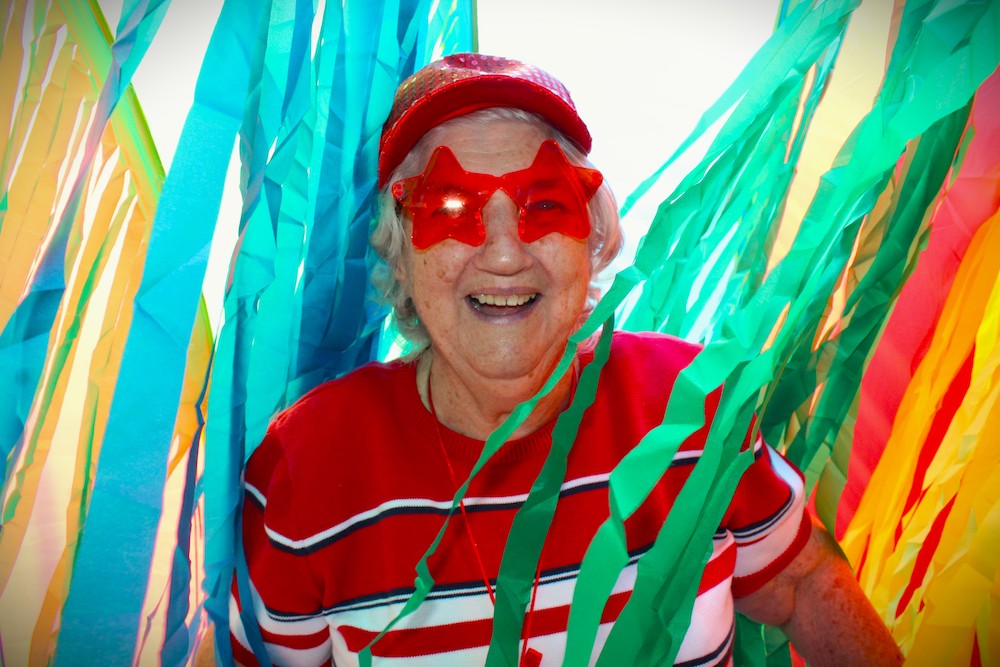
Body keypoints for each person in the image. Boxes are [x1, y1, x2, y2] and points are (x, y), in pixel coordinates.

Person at [228, 53, 903, 666]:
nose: (503, 253)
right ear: (399, 252)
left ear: (594, 238)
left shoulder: (693, 410)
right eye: (452, 206)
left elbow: (802, 581)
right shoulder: (302, 473)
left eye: (543, 202)